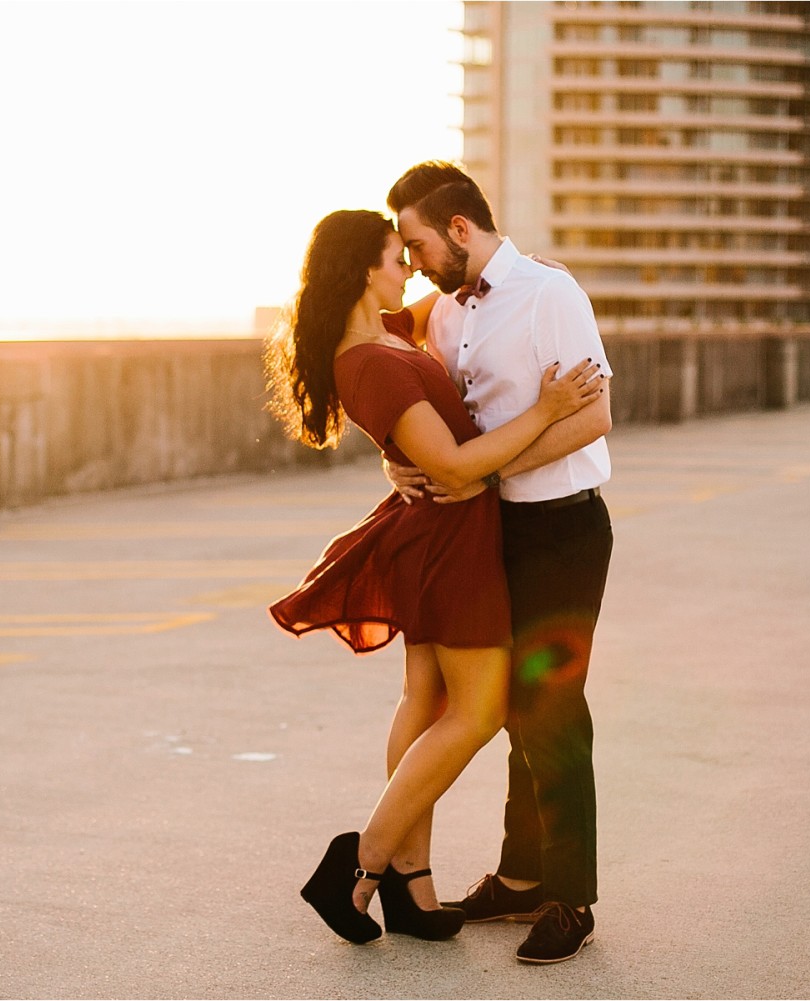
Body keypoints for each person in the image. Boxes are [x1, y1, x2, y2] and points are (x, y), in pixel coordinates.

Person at [264, 209, 605, 947]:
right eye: (397, 254)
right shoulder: (372, 358)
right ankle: (359, 862)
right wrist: (546, 409)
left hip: (442, 536)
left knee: (423, 701)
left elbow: (474, 294)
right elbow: (450, 465)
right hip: (454, 543)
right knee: (478, 714)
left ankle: (412, 890)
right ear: (362, 266)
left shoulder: (387, 330)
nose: (409, 267)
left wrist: (525, 266)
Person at [383, 161, 615, 965]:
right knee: (510, 707)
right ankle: (521, 878)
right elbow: (423, 408)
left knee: (551, 707)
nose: (411, 264)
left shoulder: (552, 294)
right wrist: (399, 463)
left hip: (563, 530)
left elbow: (595, 418)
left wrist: (483, 471)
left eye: (415, 245)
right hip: (487, 534)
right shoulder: (443, 315)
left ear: (457, 229)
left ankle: (571, 897)